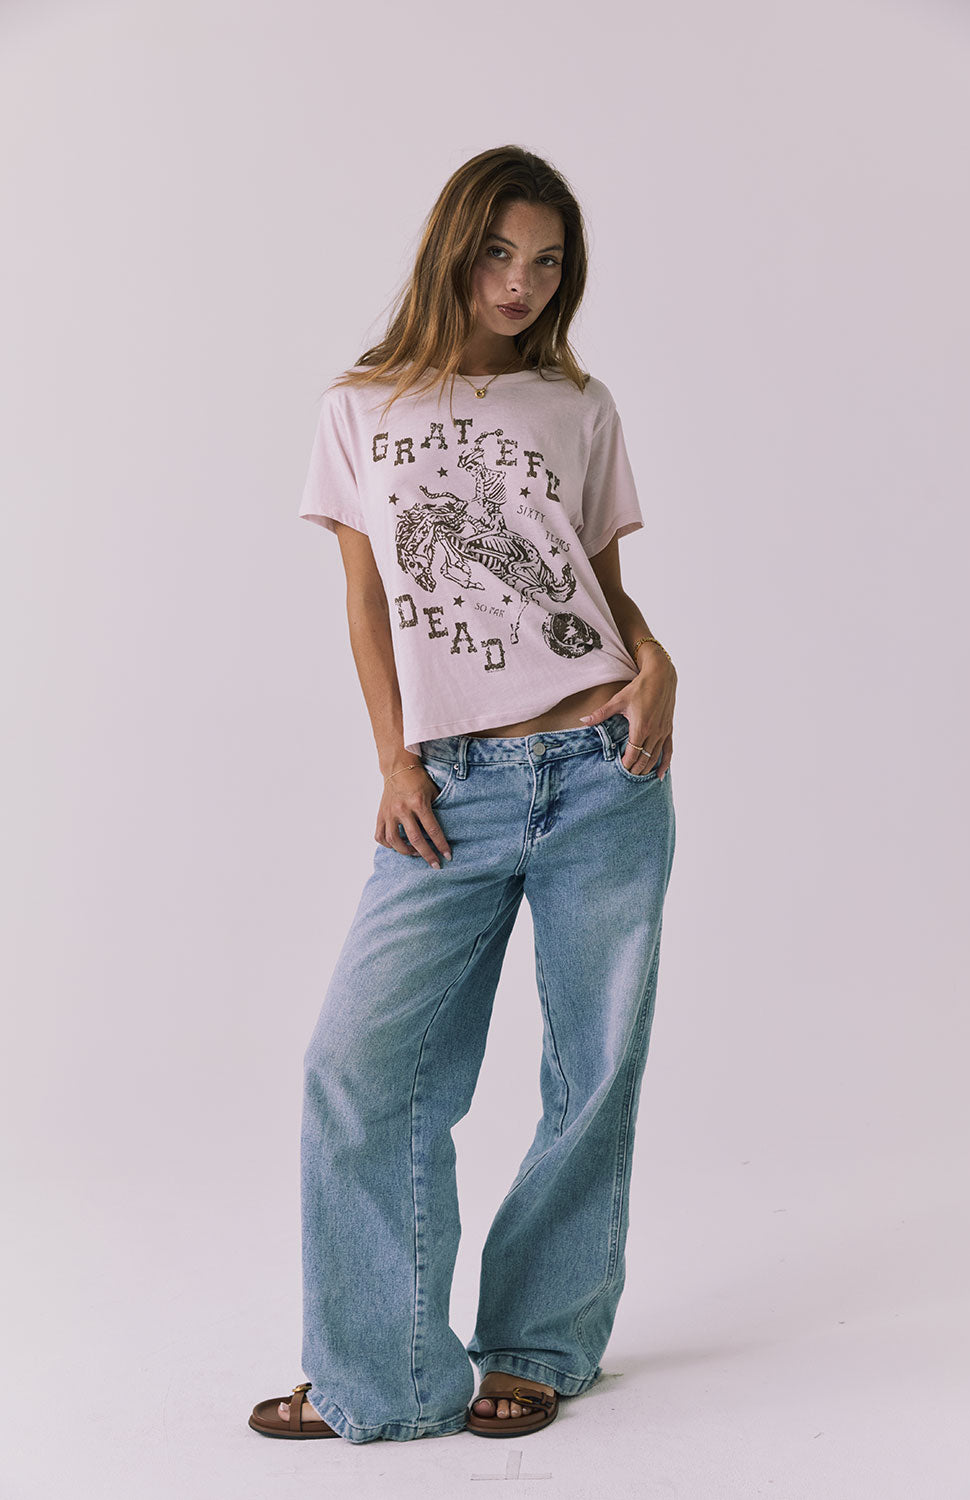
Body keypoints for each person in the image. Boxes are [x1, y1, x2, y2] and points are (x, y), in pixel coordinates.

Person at [248, 144, 678, 1446]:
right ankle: (385, 1371)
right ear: (453, 248)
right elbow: (366, 604)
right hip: (452, 787)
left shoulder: (579, 404)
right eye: (499, 252)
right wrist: (393, 760)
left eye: (546, 262)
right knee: (357, 1068)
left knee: (589, 1070)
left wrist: (657, 660)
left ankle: (540, 1342)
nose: (520, 281)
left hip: (607, 768)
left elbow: (597, 591)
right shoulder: (362, 406)